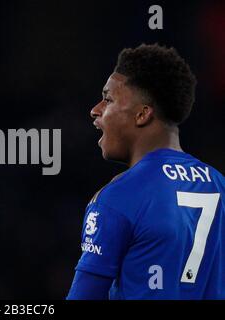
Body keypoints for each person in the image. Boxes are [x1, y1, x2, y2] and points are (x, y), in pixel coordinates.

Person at [66, 43, 225, 299]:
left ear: (142, 114)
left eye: (108, 99)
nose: (96, 109)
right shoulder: (220, 185)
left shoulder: (119, 197)